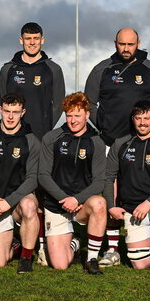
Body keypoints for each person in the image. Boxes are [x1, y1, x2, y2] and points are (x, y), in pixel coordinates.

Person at [87, 27, 150, 266]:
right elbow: (90, 101)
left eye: (130, 44)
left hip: (142, 143)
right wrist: (104, 123)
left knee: (145, 188)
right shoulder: (102, 69)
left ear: (138, 43)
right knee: (110, 192)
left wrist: (145, 128)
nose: (126, 49)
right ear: (115, 43)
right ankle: (112, 249)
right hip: (110, 142)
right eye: (121, 44)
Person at [105, 100, 150, 278]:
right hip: (131, 209)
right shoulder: (120, 144)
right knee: (139, 264)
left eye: (146, 118)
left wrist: (148, 203)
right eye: (138, 118)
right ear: (133, 119)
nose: (142, 123)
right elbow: (109, 177)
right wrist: (110, 205)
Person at [38, 93, 109, 273]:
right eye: (69, 115)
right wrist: (64, 198)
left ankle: (92, 259)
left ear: (87, 115)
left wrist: (77, 199)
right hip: (56, 204)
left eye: (77, 115)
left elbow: (100, 181)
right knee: (60, 265)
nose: (73, 120)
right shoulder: (52, 138)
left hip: (82, 205)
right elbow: (43, 175)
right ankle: (75, 243)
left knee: (100, 204)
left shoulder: (97, 142)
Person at [0, 93, 42, 272]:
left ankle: (26, 258)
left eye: (16, 112)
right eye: (7, 111)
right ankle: (16, 244)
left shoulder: (31, 140)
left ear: (23, 112)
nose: (11, 116)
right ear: (0, 110)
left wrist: (9, 202)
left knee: (29, 205)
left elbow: (32, 178)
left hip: (17, 202)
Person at [0, 22, 66, 138]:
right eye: (28, 38)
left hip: (41, 134)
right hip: (14, 135)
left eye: (36, 38)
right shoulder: (7, 69)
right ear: (21, 40)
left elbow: (59, 104)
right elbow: (2, 102)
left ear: (42, 40)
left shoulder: (54, 69)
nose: (32, 42)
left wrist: (46, 126)